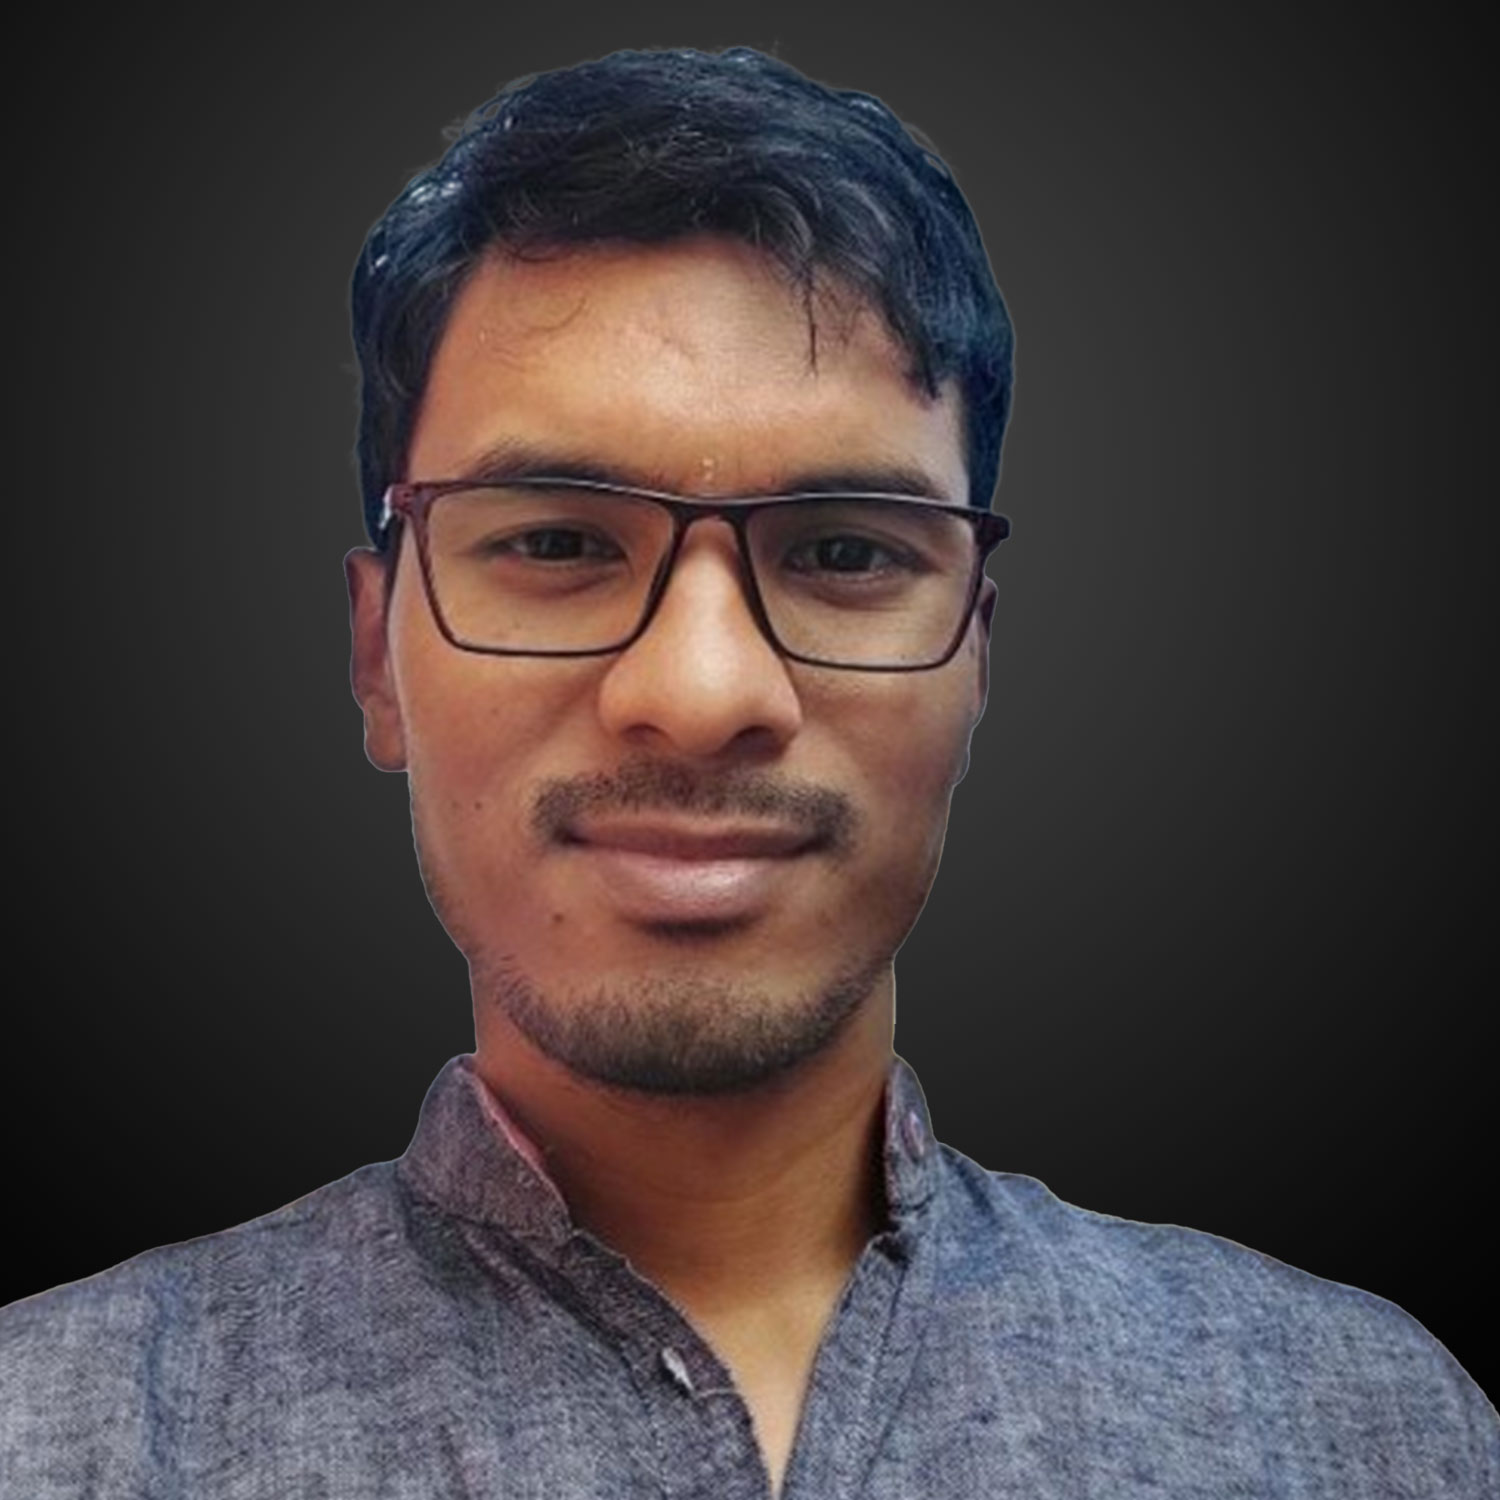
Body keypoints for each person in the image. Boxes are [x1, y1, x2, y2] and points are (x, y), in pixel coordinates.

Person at [2, 45, 1492, 1498]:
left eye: (843, 551)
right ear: (376, 655)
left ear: (977, 658)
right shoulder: (54, 1435)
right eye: (556, 541)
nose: (702, 693)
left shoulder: (1366, 1429)